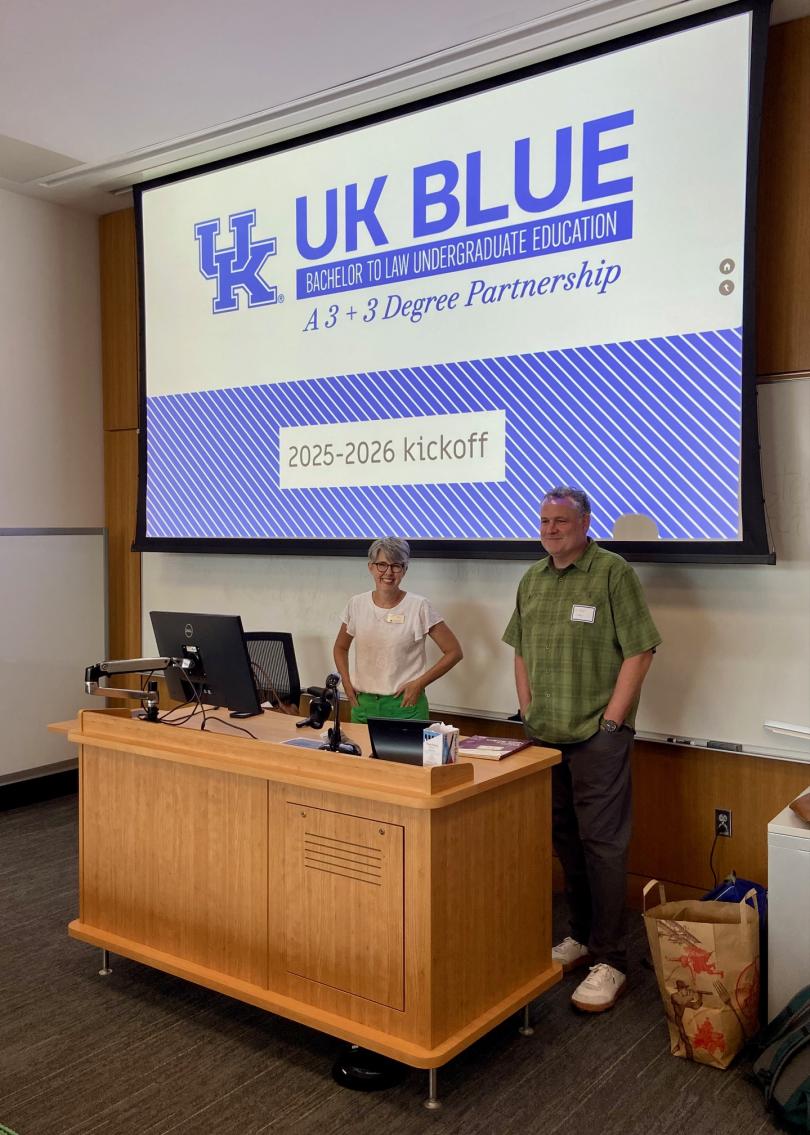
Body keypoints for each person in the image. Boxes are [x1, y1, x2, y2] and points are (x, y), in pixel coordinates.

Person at [502, 486, 661, 1012]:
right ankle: (581, 936)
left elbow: (641, 649)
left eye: (561, 521)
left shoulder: (612, 572)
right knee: (565, 840)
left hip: (598, 737)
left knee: (604, 846)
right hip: (544, 736)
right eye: (544, 519)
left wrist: (613, 721)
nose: (550, 529)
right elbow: (520, 649)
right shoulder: (531, 578)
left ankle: (612, 959)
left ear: (585, 523)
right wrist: (526, 706)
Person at [333, 537, 463, 723]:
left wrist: (419, 683)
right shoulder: (356, 604)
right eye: (382, 565)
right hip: (363, 705)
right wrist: (345, 681)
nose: (388, 572)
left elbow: (454, 652)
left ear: (405, 570)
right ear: (371, 567)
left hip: (405, 706)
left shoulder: (419, 606)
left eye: (396, 566)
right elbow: (340, 648)